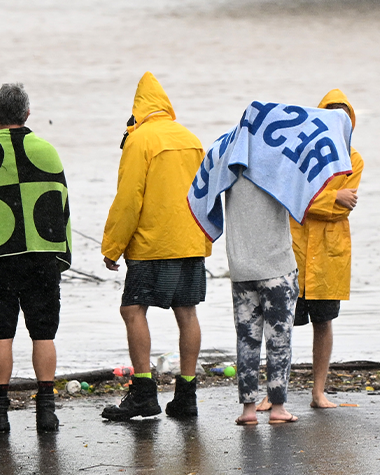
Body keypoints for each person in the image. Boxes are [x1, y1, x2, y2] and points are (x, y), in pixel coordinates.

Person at [0, 84, 72, 435]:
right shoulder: (47, 150)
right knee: (43, 333)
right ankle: (46, 412)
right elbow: (61, 206)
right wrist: (60, 255)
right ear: (27, 114)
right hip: (41, 256)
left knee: (1, 334)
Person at [100, 72, 209, 420]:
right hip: (190, 240)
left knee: (133, 310)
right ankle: (186, 396)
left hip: (152, 244)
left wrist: (112, 246)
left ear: (138, 109)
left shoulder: (140, 140)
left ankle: (144, 392)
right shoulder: (191, 138)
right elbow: (206, 192)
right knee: (187, 312)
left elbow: (129, 198)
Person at [259, 89, 362, 411]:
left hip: (329, 252)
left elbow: (344, 208)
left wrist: (321, 201)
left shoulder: (353, 158)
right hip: (294, 248)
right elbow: (288, 196)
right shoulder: (296, 155)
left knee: (324, 321)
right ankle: (272, 392)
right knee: (281, 322)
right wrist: (332, 198)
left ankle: (318, 392)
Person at [226, 176, 300, 425]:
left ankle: (248, 410)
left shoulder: (229, 167)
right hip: (277, 267)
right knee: (279, 339)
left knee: (247, 339)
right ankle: (278, 407)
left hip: (242, 268)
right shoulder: (280, 167)